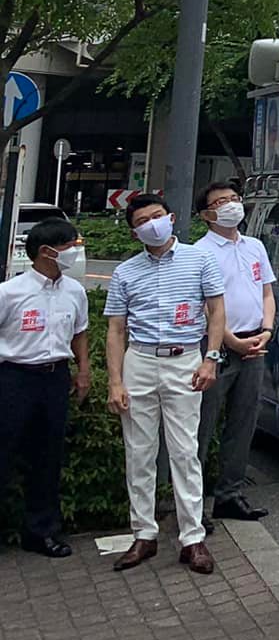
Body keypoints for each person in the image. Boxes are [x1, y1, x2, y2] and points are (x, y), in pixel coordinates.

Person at [104, 195, 225, 574]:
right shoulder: (125, 272)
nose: (152, 224)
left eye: (157, 216)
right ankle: (144, 534)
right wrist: (115, 381)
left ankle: (193, 538)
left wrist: (211, 358)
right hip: (139, 360)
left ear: (171, 218)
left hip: (186, 359)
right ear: (133, 231)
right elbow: (116, 329)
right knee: (139, 452)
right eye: (142, 221)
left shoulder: (200, 259)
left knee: (185, 451)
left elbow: (217, 311)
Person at [0, 217, 92, 557]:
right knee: (3, 453)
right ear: (46, 251)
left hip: (54, 378)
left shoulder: (75, 291)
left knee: (47, 457)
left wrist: (84, 371)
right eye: (69, 246)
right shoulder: (9, 292)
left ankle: (41, 532)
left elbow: (80, 332)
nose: (74, 252)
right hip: (14, 378)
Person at [194, 182, 275, 523]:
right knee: (202, 425)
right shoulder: (200, 253)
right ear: (206, 214)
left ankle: (230, 495)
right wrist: (229, 341)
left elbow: (266, 293)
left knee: (244, 422)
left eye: (234, 199)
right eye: (221, 202)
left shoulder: (254, 246)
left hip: (255, 344)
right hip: (216, 348)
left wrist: (266, 331)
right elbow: (204, 306)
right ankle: (192, 505)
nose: (231, 205)